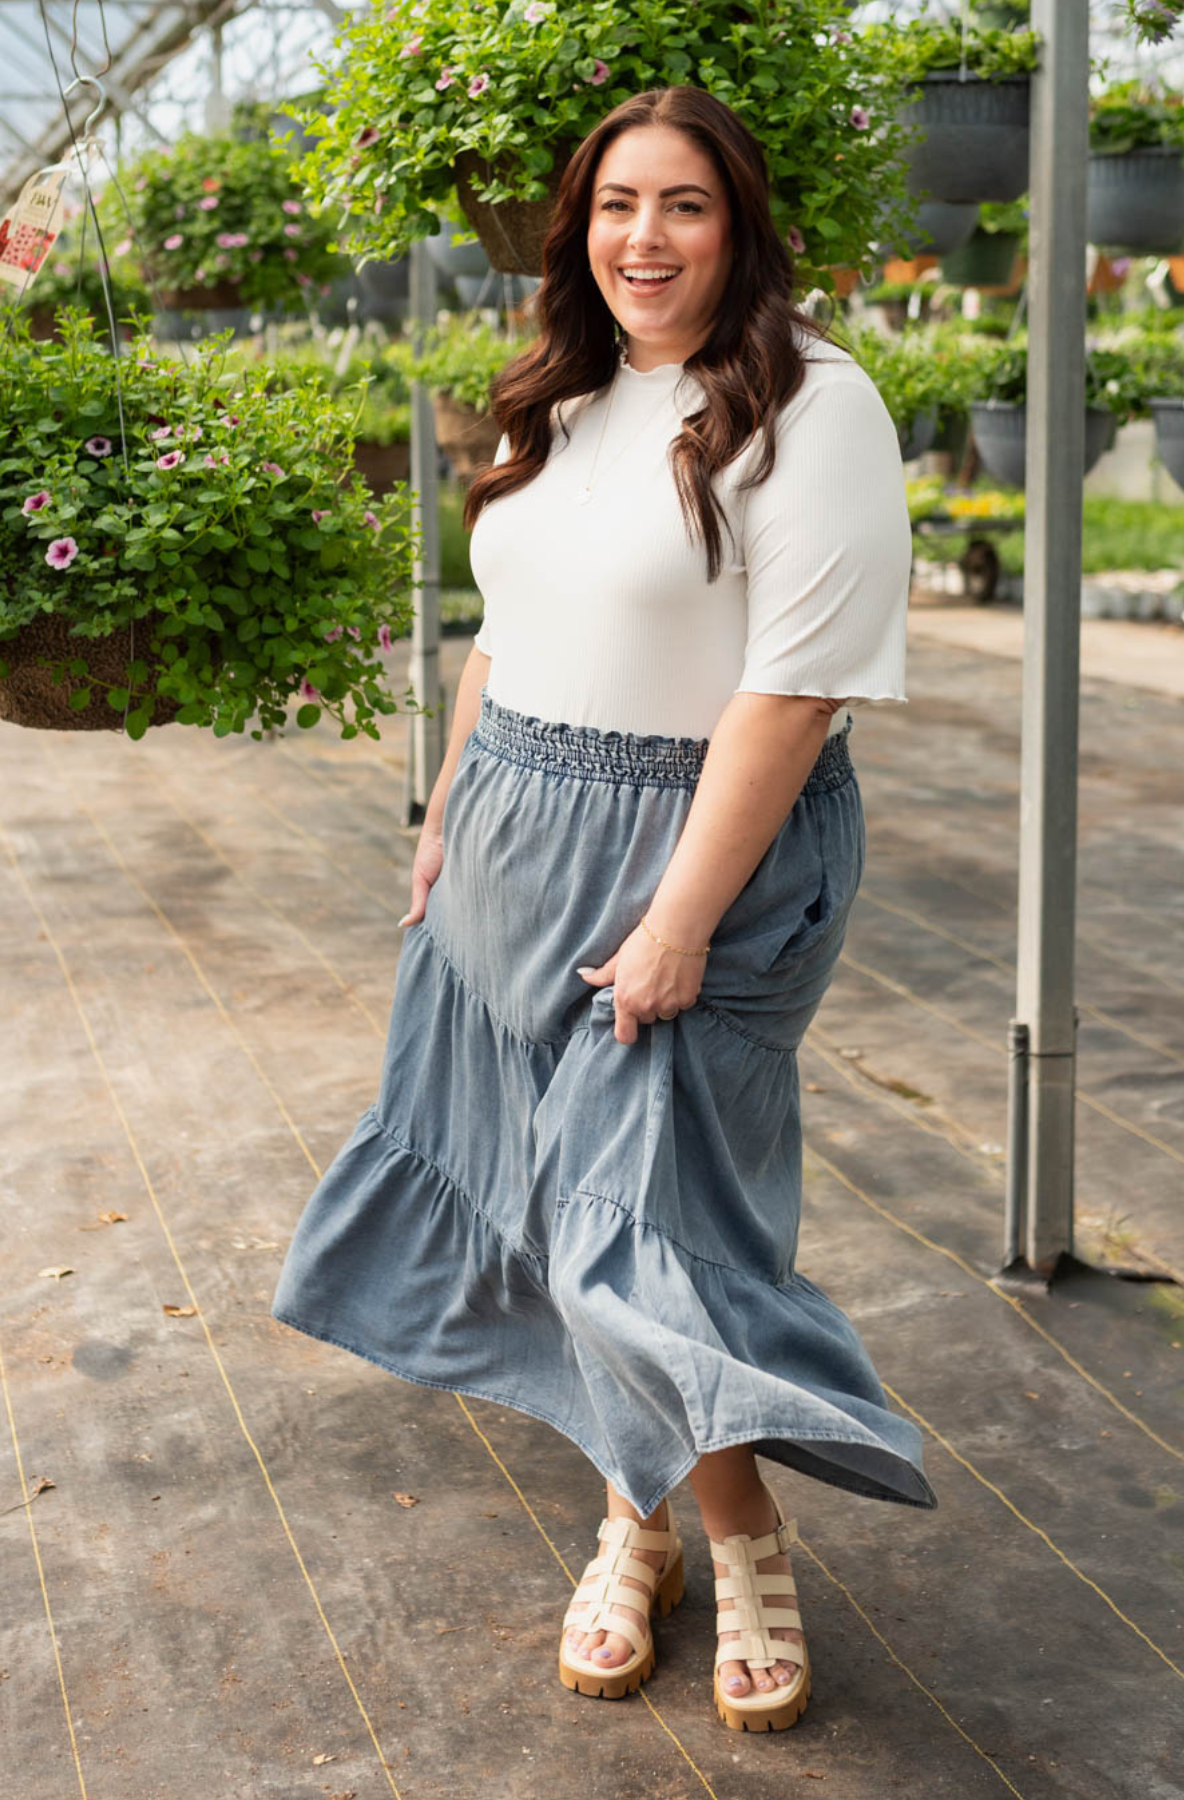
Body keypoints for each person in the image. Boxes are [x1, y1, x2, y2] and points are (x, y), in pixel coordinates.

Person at [271, 82, 937, 1736]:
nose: (645, 238)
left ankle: (739, 1545)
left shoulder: (810, 402)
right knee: (548, 1198)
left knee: (644, 1233)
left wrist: (679, 920)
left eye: (685, 206)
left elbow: (792, 695)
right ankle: (633, 1522)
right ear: (577, 223)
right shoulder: (556, 397)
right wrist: (443, 812)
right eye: (618, 203)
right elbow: (505, 624)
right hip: (512, 830)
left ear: (742, 225)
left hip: (701, 841)